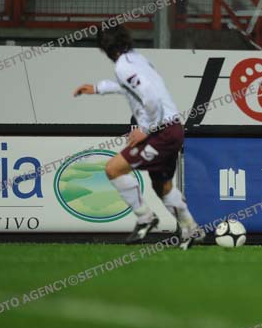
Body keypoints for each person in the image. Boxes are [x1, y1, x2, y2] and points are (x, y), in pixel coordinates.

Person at [73, 24, 200, 247]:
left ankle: (145, 218)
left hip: (162, 131)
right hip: (172, 128)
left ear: (104, 48)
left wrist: (146, 129)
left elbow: (151, 97)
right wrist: (98, 88)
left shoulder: (123, 66)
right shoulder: (137, 59)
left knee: (113, 169)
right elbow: (130, 88)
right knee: (162, 185)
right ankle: (191, 229)